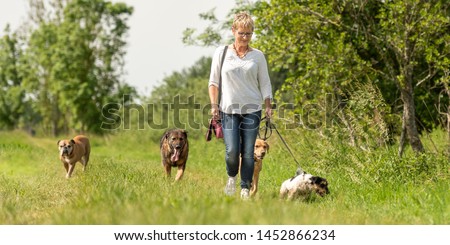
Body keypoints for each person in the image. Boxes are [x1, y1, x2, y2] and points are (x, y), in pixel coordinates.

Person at [208, 12, 273, 200]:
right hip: (228, 110)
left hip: (252, 109)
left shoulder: (258, 56)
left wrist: (268, 106)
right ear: (233, 30)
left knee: (247, 152)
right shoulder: (221, 53)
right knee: (232, 151)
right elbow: (213, 82)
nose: (245, 37)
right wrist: (214, 106)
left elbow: (266, 83)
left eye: (249, 34)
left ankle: (245, 188)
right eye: (241, 33)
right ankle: (231, 177)